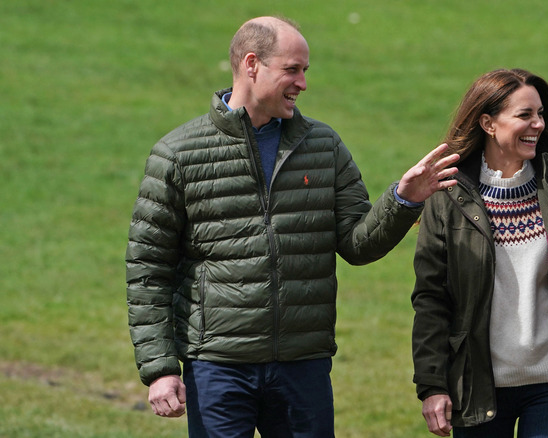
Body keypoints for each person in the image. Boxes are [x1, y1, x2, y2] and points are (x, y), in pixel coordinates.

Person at [125, 16, 459, 438]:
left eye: (305, 71)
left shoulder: (324, 145)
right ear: (252, 65)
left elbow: (357, 244)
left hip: (304, 366)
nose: (302, 83)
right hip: (218, 366)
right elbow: (148, 270)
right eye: (292, 69)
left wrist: (403, 200)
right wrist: (159, 369)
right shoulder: (178, 154)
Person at [410, 68, 548, 437]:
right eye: (525, 115)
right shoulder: (447, 194)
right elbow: (431, 299)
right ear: (488, 123)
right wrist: (432, 386)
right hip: (477, 384)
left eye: (541, 114)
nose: (539, 124)